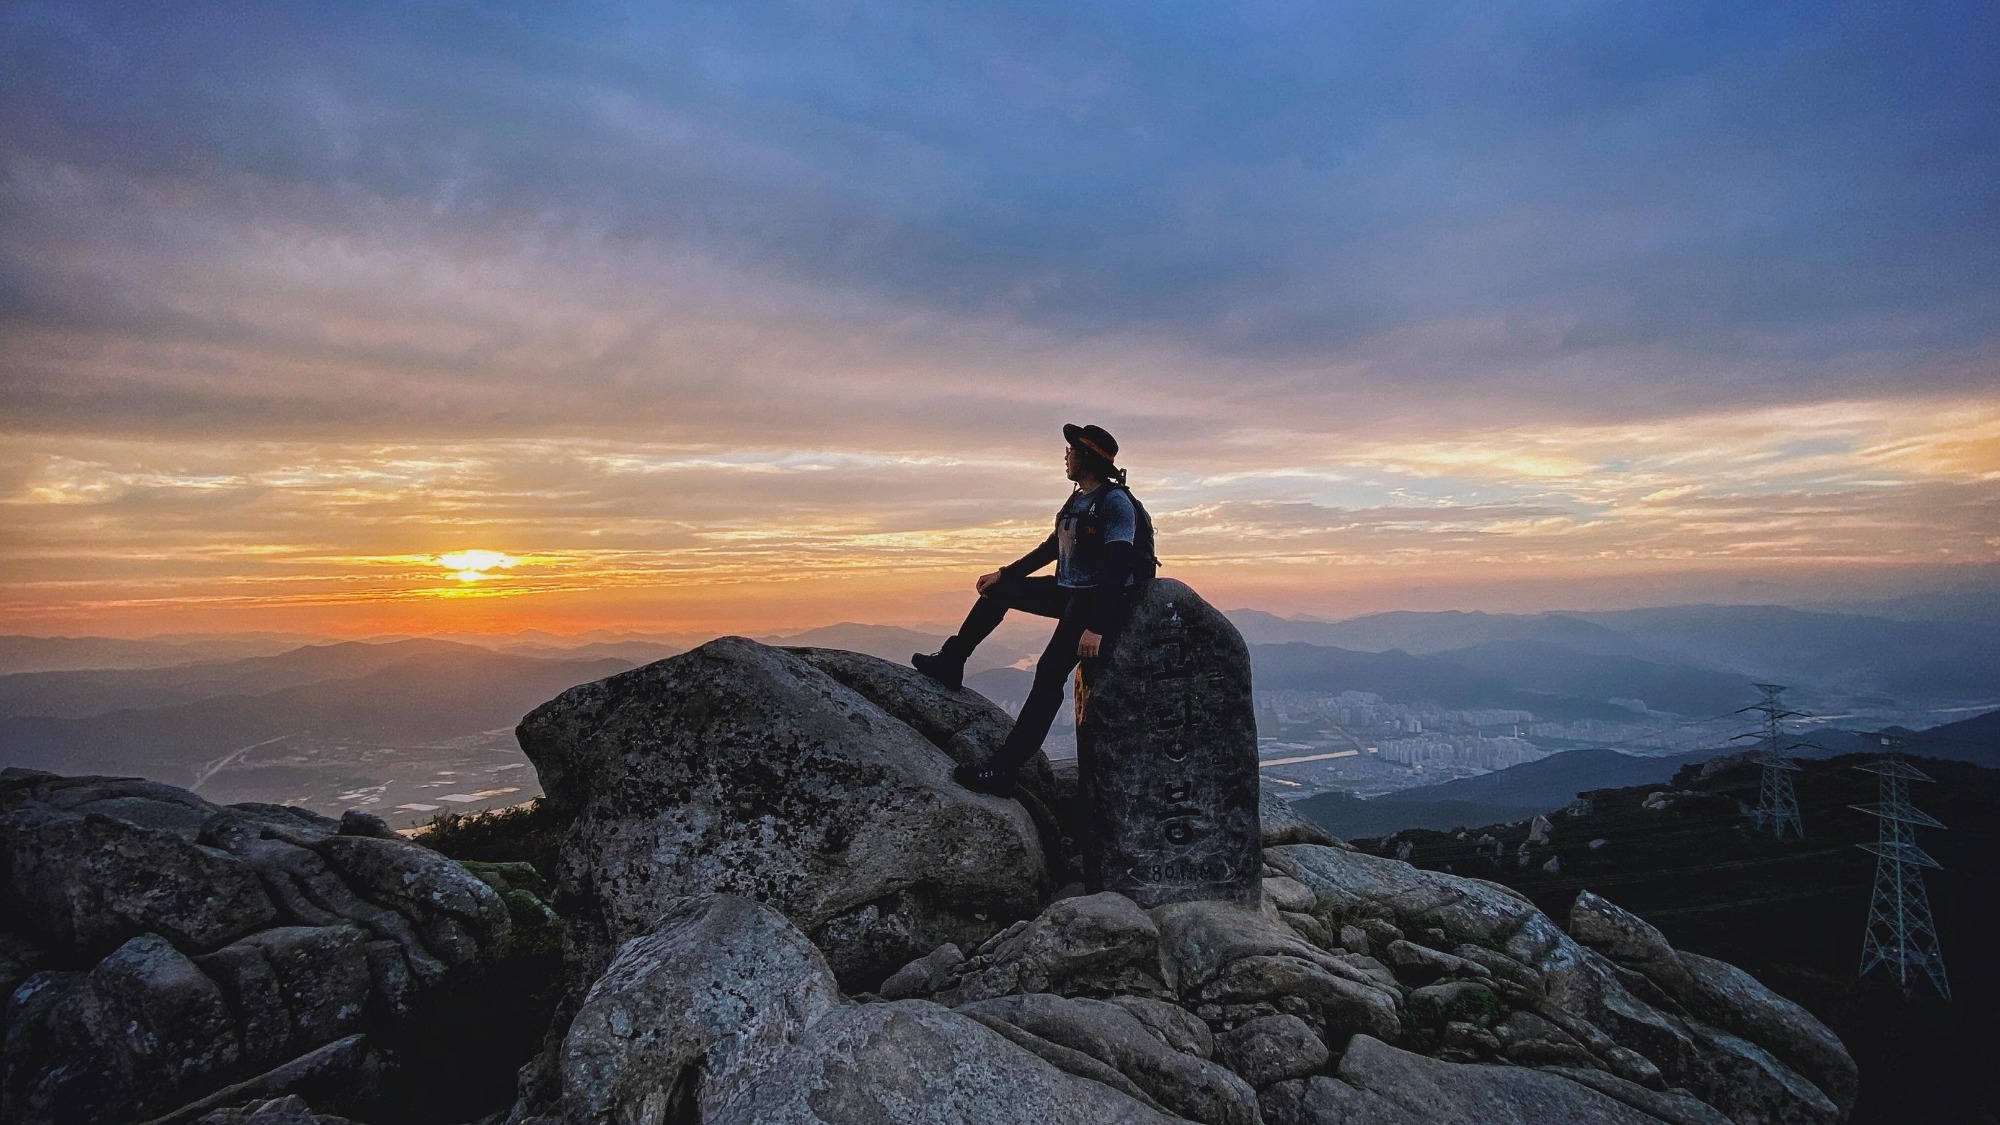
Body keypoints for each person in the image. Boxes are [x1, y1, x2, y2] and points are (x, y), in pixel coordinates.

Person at [913, 423, 1145, 794]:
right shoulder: (1077, 500)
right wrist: (1005, 574)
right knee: (999, 591)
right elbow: (1050, 549)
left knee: (1049, 673)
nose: (1065, 458)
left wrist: (1097, 626)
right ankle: (951, 661)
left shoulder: (1114, 503)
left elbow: (1118, 569)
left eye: (1070, 452)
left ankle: (1005, 769)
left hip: (1093, 600)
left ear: (1086, 457)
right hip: (1067, 590)